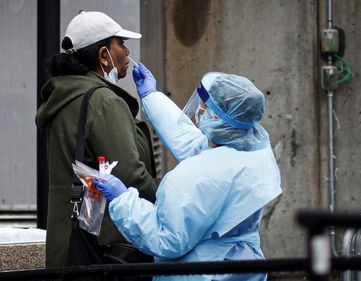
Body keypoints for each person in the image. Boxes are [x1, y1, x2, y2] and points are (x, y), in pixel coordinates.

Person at [94, 64, 282, 281]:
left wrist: (122, 199)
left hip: (202, 273)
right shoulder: (254, 149)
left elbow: (165, 239)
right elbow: (192, 143)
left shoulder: (197, 175)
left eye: (203, 106)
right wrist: (152, 97)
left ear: (214, 117)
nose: (198, 110)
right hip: (243, 268)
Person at [35, 11, 158, 269]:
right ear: (104, 56)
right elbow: (130, 174)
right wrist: (170, 196)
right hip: (105, 252)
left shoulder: (66, 96)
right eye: (121, 44)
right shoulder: (103, 101)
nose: (127, 52)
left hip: (70, 245)